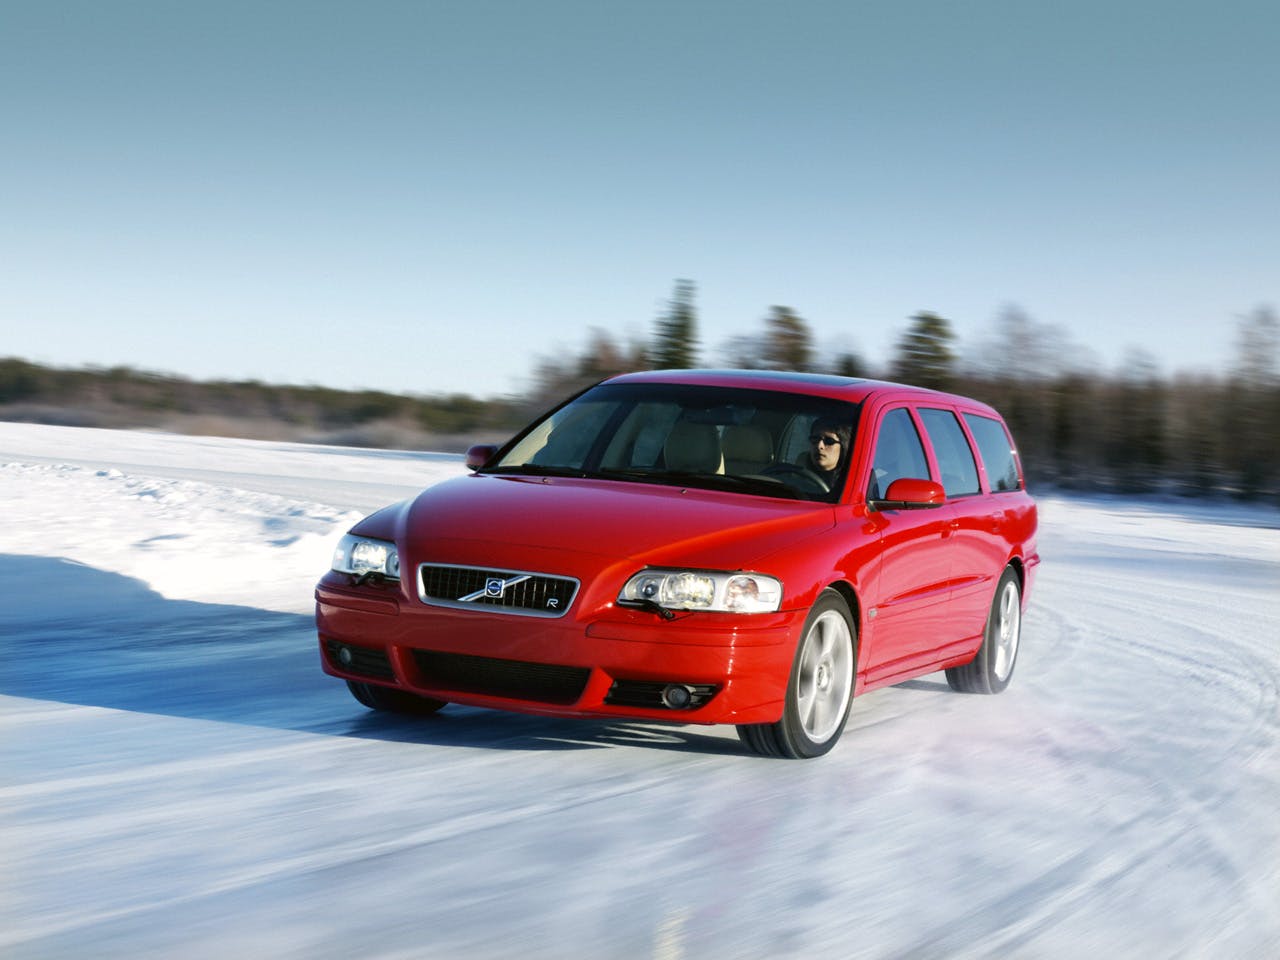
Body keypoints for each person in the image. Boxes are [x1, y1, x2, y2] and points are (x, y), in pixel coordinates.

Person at [804, 416, 852, 487]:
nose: (820, 446)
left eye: (829, 441)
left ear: (843, 447)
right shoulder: (793, 480)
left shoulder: (851, 484)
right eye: (815, 439)